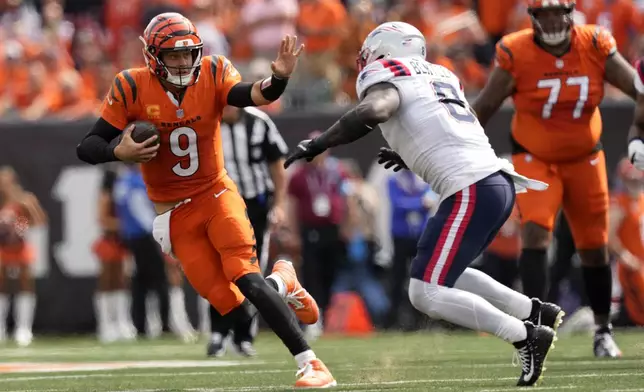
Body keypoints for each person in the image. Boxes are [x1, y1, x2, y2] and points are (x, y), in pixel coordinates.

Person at [284, 21, 563, 387]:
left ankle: (524, 335)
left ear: (383, 49)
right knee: (446, 272)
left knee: (424, 291)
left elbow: (374, 111)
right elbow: (436, 122)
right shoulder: (439, 74)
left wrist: (321, 144)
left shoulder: (388, 73)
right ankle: (532, 310)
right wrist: (408, 151)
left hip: (470, 186)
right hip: (495, 182)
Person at [75, 12, 334, 388]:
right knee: (233, 306)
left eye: (187, 54)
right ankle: (284, 282)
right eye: (172, 55)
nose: (182, 62)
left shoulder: (213, 72)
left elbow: (254, 94)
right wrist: (120, 153)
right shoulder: (131, 86)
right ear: (152, 55)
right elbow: (87, 147)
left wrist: (278, 76)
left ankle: (311, 364)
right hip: (173, 214)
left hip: (215, 195)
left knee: (246, 279)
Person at [470, 0, 637, 358]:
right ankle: (534, 330)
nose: (552, 20)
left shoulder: (593, 44)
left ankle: (602, 329)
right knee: (536, 232)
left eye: (557, 12)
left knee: (594, 246)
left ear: (570, 12)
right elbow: (483, 106)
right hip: (535, 158)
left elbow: (639, 89)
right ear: (533, 18)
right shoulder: (516, 51)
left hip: (585, 157)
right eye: (543, 14)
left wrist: (638, 133)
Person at [206, 105, 289, 358]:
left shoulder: (259, 122)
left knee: (250, 273)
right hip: (219, 206)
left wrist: (279, 204)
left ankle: (243, 336)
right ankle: (218, 333)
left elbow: (278, 165)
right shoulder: (208, 121)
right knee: (218, 270)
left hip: (255, 205)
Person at [112, 163, 172, 339]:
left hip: (130, 237)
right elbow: (142, 212)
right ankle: (164, 325)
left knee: (139, 283)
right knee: (160, 280)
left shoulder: (121, 182)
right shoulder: (139, 181)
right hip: (144, 235)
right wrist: (155, 232)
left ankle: (140, 326)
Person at [0, 166, 47, 347]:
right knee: (2, 285)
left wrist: (22, 226)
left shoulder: (24, 200)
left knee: (25, 284)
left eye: (6, 181)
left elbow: (40, 220)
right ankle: (1, 328)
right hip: (3, 248)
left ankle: (24, 328)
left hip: (21, 247)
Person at [92, 162, 136, 343]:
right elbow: (103, 220)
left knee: (122, 281)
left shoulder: (122, 194)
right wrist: (125, 225)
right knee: (107, 282)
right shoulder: (105, 196)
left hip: (122, 242)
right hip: (110, 241)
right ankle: (105, 324)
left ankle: (122, 321)